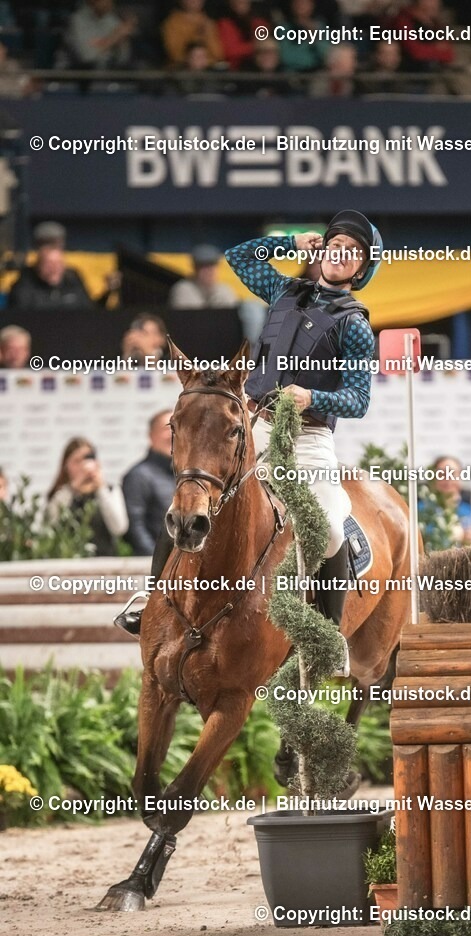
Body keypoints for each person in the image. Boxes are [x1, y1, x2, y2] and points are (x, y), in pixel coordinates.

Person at [116, 210, 383, 678]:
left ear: (360, 269)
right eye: (335, 243)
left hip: (308, 435)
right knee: (192, 493)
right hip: (253, 420)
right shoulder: (284, 291)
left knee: (333, 526)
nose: (340, 253)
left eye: (352, 252)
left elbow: (358, 399)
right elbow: (238, 257)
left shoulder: (356, 326)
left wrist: (312, 395)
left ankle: (325, 636)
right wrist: (286, 242)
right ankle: (152, 599)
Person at [47, 438, 128, 557]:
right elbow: (51, 526)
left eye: (87, 459)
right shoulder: (60, 495)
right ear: (66, 466)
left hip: (105, 563)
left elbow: (119, 528)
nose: (83, 466)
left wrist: (100, 487)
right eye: (77, 461)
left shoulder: (110, 490)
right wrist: (73, 489)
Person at [122, 410, 175, 556]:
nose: (172, 434)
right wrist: (156, 562)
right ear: (151, 436)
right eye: (167, 428)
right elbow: (135, 527)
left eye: (176, 428)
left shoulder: (188, 475)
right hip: (154, 569)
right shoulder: (138, 476)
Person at [421, 455, 471, 549]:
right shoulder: (420, 511)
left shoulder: (467, 510)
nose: (448, 480)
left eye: (453, 474)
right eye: (442, 475)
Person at [65, 0, 137, 69]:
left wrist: (123, 42)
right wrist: (114, 38)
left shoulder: (112, 21)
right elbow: (86, 57)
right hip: (75, 76)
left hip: (107, 74)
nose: (110, 3)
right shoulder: (76, 21)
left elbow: (123, 60)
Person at [168, 245, 238, 309]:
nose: (209, 271)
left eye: (212, 265)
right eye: (204, 266)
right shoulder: (183, 289)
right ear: (195, 268)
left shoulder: (225, 290)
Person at [162, 0, 223, 67]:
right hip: (182, 71)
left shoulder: (209, 23)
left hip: (209, 72)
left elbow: (218, 55)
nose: (194, 1)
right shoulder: (172, 24)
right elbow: (176, 55)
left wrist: (206, 61)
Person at [217, 0, 269, 69]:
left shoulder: (259, 22)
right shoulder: (225, 23)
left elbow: (266, 43)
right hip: (237, 70)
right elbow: (231, 51)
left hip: (260, 68)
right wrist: (253, 46)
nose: (241, 2)